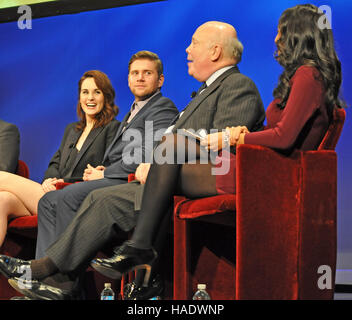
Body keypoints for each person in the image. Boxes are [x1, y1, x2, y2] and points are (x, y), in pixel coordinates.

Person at [0, 21, 266, 300]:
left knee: (89, 197)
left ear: (214, 51)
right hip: (164, 180)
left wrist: (160, 162)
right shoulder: (202, 91)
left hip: (193, 182)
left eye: (194, 43)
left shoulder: (238, 85)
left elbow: (219, 147)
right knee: (99, 199)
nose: (187, 49)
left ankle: (48, 271)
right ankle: (57, 281)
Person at [33, 50, 178, 259]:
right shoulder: (134, 112)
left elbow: (145, 155)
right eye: (135, 73)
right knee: (47, 202)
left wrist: (106, 172)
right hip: (114, 178)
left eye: (147, 73)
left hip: (130, 184)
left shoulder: (162, 108)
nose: (139, 77)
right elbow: (58, 160)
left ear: (160, 80)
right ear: (128, 79)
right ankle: (43, 272)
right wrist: (105, 170)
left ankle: (62, 282)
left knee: (66, 197)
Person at [0, 70, 120, 247]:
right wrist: (49, 179)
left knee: (1, 177)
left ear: (106, 97)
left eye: (97, 92)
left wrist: (62, 182)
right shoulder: (72, 130)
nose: (90, 98)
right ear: (79, 97)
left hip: (75, 199)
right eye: (85, 92)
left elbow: (104, 174)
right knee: (3, 199)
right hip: (53, 194)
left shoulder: (113, 129)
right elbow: (54, 163)